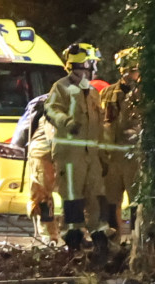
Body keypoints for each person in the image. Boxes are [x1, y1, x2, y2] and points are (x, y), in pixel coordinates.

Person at [43, 42, 106, 249]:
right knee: (72, 199)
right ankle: (73, 242)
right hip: (70, 156)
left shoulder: (94, 92)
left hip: (91, 156)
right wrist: (67, 123)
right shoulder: (60, 87)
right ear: (81, 65)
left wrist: (102, 155)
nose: (93, 68)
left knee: (96, 197)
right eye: (91, 63)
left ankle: (100, 241)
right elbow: (51, 109)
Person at [99, 46, 144, 239]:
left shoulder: (143, 95)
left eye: (133, 70)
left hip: (133, 156)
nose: (130, 75)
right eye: (127, 70)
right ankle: (113, 242)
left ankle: (135, 241)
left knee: (136, 203)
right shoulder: (107, 93)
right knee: (110, 203)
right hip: (110, 157)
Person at [16, 89, 59, 243]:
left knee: (45, 194)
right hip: (44, 152)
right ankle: (49, 237)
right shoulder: (57, 105)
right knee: (43, 196)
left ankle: (58, 236)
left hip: (48, 152)